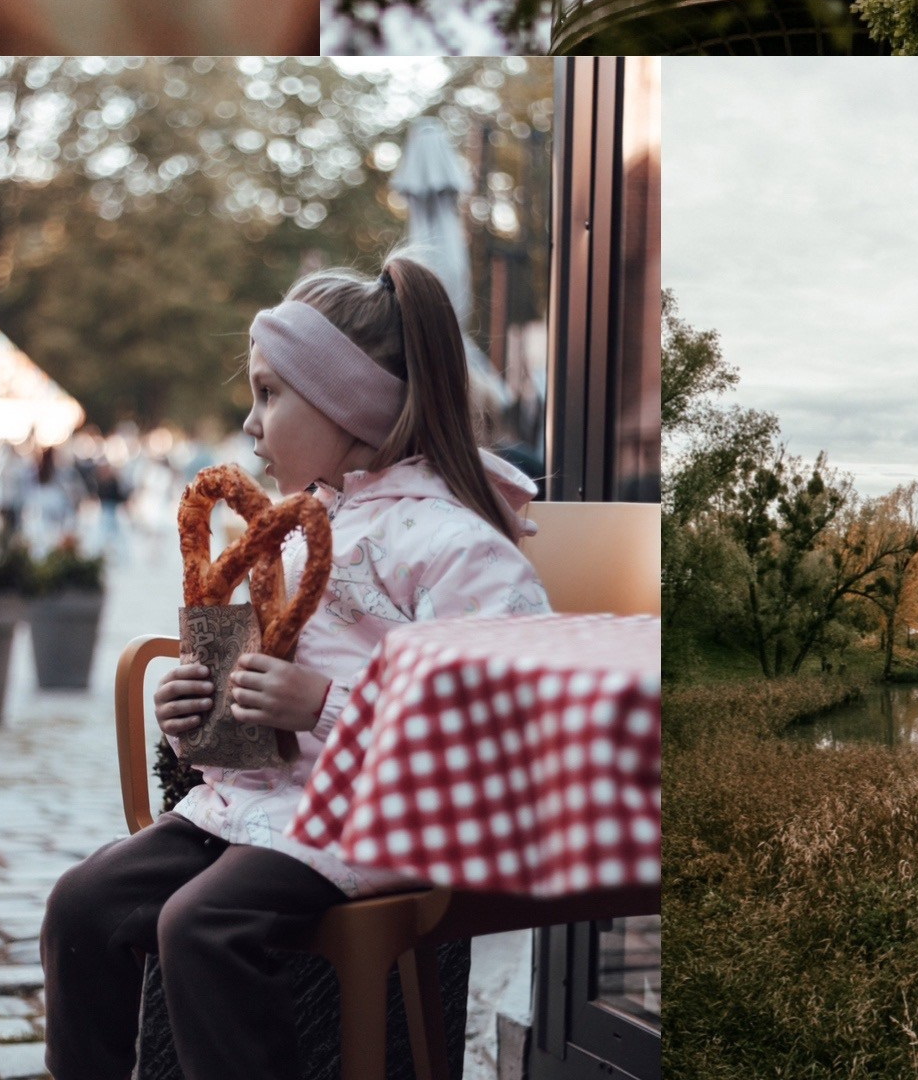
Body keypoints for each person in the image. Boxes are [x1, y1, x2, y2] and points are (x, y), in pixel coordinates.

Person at [39, 255, 550, 1080]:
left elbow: (495, 723)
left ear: (351, 406)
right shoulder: (289, 534)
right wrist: (200, 719)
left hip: (372, 824)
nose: (248, 424)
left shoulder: (452, 546)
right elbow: (252, 742)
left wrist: (324, 706)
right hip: (258, 810)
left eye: (269, 394)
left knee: (202, 927)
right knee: (83, 905)